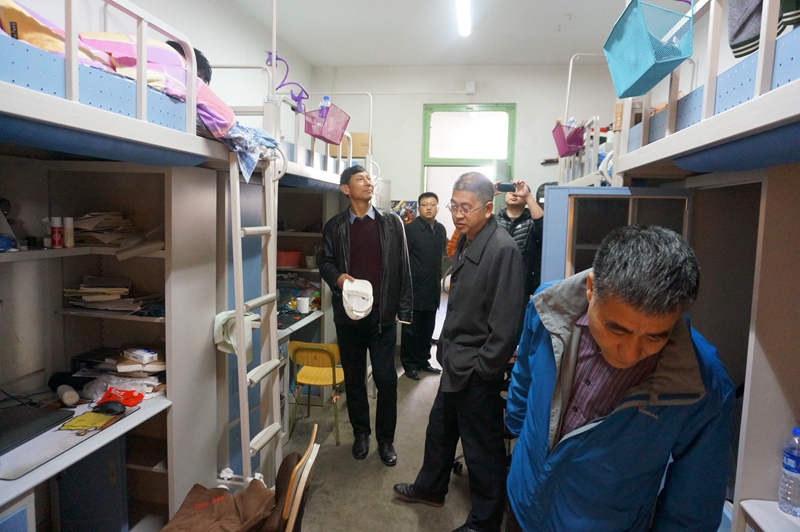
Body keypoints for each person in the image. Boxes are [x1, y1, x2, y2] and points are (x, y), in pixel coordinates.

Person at [505, 225, 735, 532]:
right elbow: (525, 371)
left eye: (655, 336)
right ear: (591, 289)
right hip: (521, 500)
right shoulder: (548, 305)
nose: (629, 353)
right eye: (617, 329)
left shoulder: (703, 383)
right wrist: (515, 421)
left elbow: (692, 510)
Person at [393, 172, 527, 532]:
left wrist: (484, 369)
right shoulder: (468, 239)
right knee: (439, 430)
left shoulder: (502, 250)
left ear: (488, 208)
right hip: (456, 359)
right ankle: (431, 488)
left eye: (466, 208)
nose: (458, 214)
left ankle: (485, 522)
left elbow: (507, 324)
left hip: (475, 368)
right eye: (454, 206)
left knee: (481, 448)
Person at [319, 165, 412, 467]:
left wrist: (403, 310)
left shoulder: (391, 222)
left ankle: (386, 440)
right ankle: (361, 434)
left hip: (382, 317)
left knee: (386, 380)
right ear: (346, 189)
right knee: (355, 380)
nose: (368, 182)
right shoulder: (335, 227)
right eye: (360, 179)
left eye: (369, 179)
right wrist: (337, 278)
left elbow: (403, 266)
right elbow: (325, 262)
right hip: (349, 317)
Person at [401, 192, 447, 381]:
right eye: (425, 204)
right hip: (414, 289)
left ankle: (423, 361)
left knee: (428, 328)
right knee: (411, 331)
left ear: (437, 207)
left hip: (433, 289)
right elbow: (402, 260)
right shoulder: (410, 230)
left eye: (433, 204)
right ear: (418, 208)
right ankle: (409, 364)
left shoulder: (441, 230)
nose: (429, 208)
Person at [494, 180, 544, 297]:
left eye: (517, 191)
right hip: (495, 280)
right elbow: (475, 220)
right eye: (510, 191)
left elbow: (544, 227)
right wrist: (488, 194)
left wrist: (527, 195)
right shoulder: (493, 222)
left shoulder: (532, 223)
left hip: (523, 284)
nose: (514, 193)